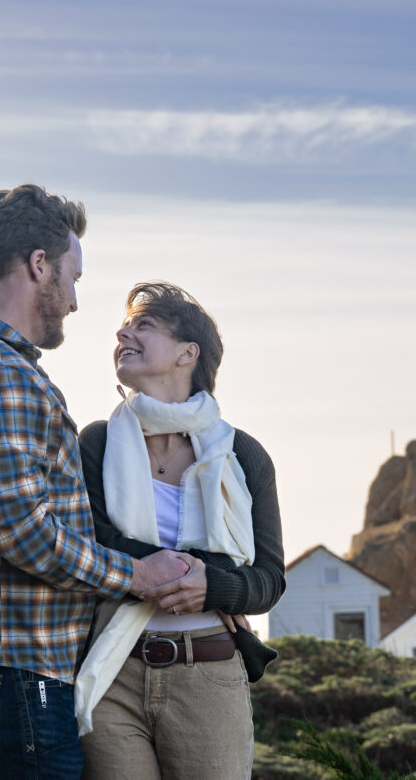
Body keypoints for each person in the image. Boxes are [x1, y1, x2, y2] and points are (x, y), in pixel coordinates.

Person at [0, 185, 192, 780]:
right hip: (15, 670)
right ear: (39, 266)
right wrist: (139, 574)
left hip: (6, 676)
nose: (76, 301)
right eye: (73, 277)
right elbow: (25, 535)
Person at [75, 282, 285, 780]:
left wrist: (211, 585)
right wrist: (193, 572)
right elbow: (92, 542)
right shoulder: (97, 443)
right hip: (112, 674)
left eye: (143, 324)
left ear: (187, 353)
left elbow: (269, 581)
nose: (124, 332)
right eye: (124, 325)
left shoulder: (243, 455)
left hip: (209, 675)